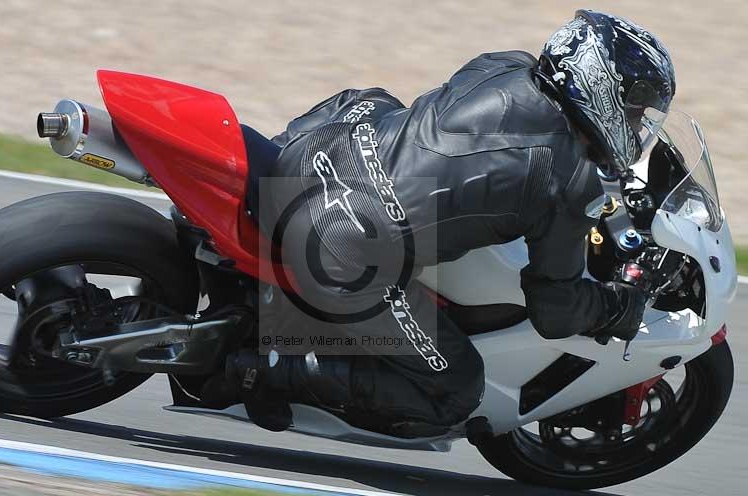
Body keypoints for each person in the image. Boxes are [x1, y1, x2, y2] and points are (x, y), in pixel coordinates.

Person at [208, 10, 676, 435]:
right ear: (598, 83)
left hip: (309, 155)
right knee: (457, 389)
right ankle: (266, 368)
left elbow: (466, 155)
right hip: (338, 248)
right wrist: (618, 306)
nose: (637, 124)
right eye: (635, 105)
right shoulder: (567, 182)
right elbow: (554, 312)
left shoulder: (505, 65)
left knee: (380, 101)